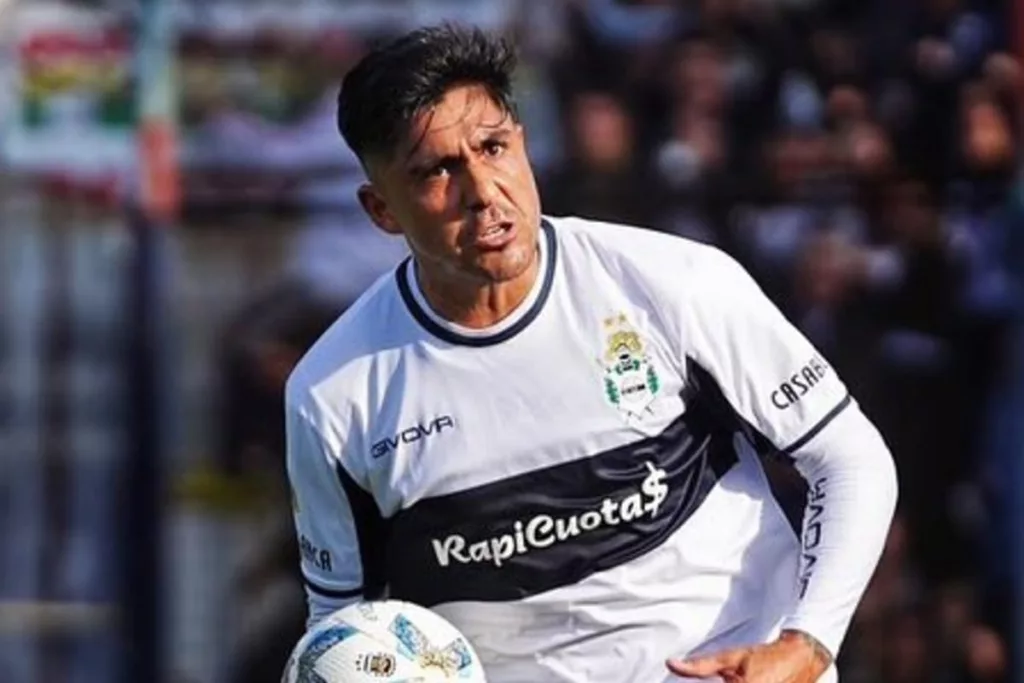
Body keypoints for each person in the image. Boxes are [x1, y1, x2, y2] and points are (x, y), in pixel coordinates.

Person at [284, 23, 898, 683]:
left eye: (492, 147)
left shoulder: (670, 283)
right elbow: (344, 625)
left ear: (523, 144)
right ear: (382, 210)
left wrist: (807, 643)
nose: (483, 190)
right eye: (437, 170)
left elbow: (849, 457)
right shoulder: (333, 395)